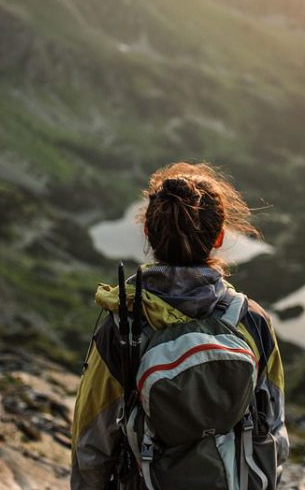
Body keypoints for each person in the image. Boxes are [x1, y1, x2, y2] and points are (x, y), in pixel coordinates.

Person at [71, 162, 289, 489]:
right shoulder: (251, 320)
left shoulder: (124, 325)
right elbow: (273, 430)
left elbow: (92, 441)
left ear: (147, 231)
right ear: (218, 237)